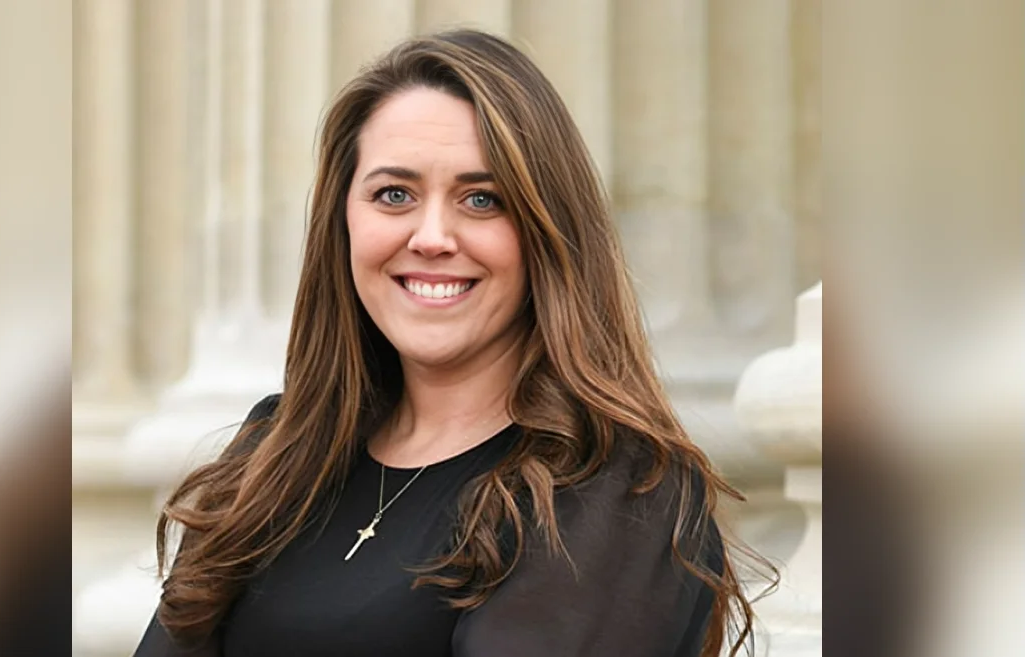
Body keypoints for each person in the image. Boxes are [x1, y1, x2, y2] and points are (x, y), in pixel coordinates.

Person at [134, 28, 766, 657]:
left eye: (482, 199)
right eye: (394, 195)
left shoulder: (617, 492)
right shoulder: (277, 452)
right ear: (343, 221)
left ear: (546, 231)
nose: (432, 236)